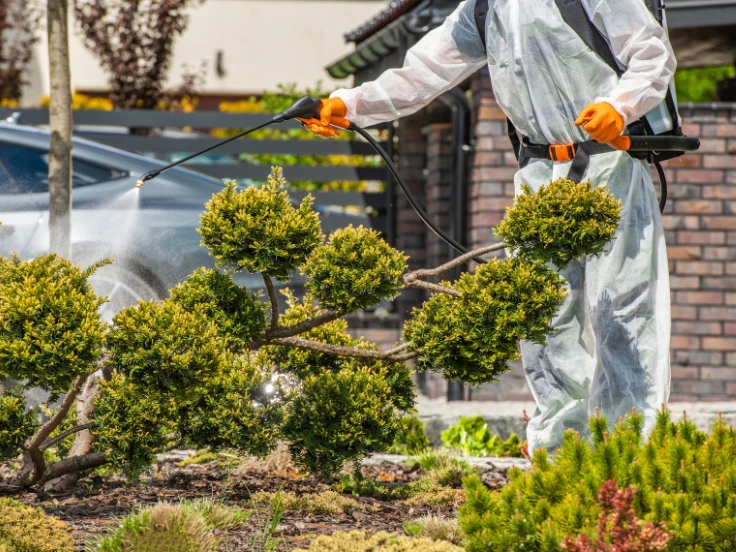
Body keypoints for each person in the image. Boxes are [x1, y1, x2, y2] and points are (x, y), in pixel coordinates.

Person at [304, 0, 676, 455]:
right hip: (540, 171)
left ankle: (628, 461)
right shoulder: (482, 9)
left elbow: (652, 53)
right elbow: (423, 72)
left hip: (610, 165)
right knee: (543, 320)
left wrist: (620, 106)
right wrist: (347, 105)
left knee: (621, 313)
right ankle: (559, 458)